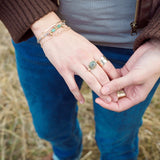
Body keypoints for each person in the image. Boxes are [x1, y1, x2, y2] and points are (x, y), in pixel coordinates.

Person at [0, 0, 160, 160]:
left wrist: (157, 45)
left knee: (117, 138)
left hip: (134, 46)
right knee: (49, 125)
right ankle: (65, 154)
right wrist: (46, 27)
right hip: (41, 33)